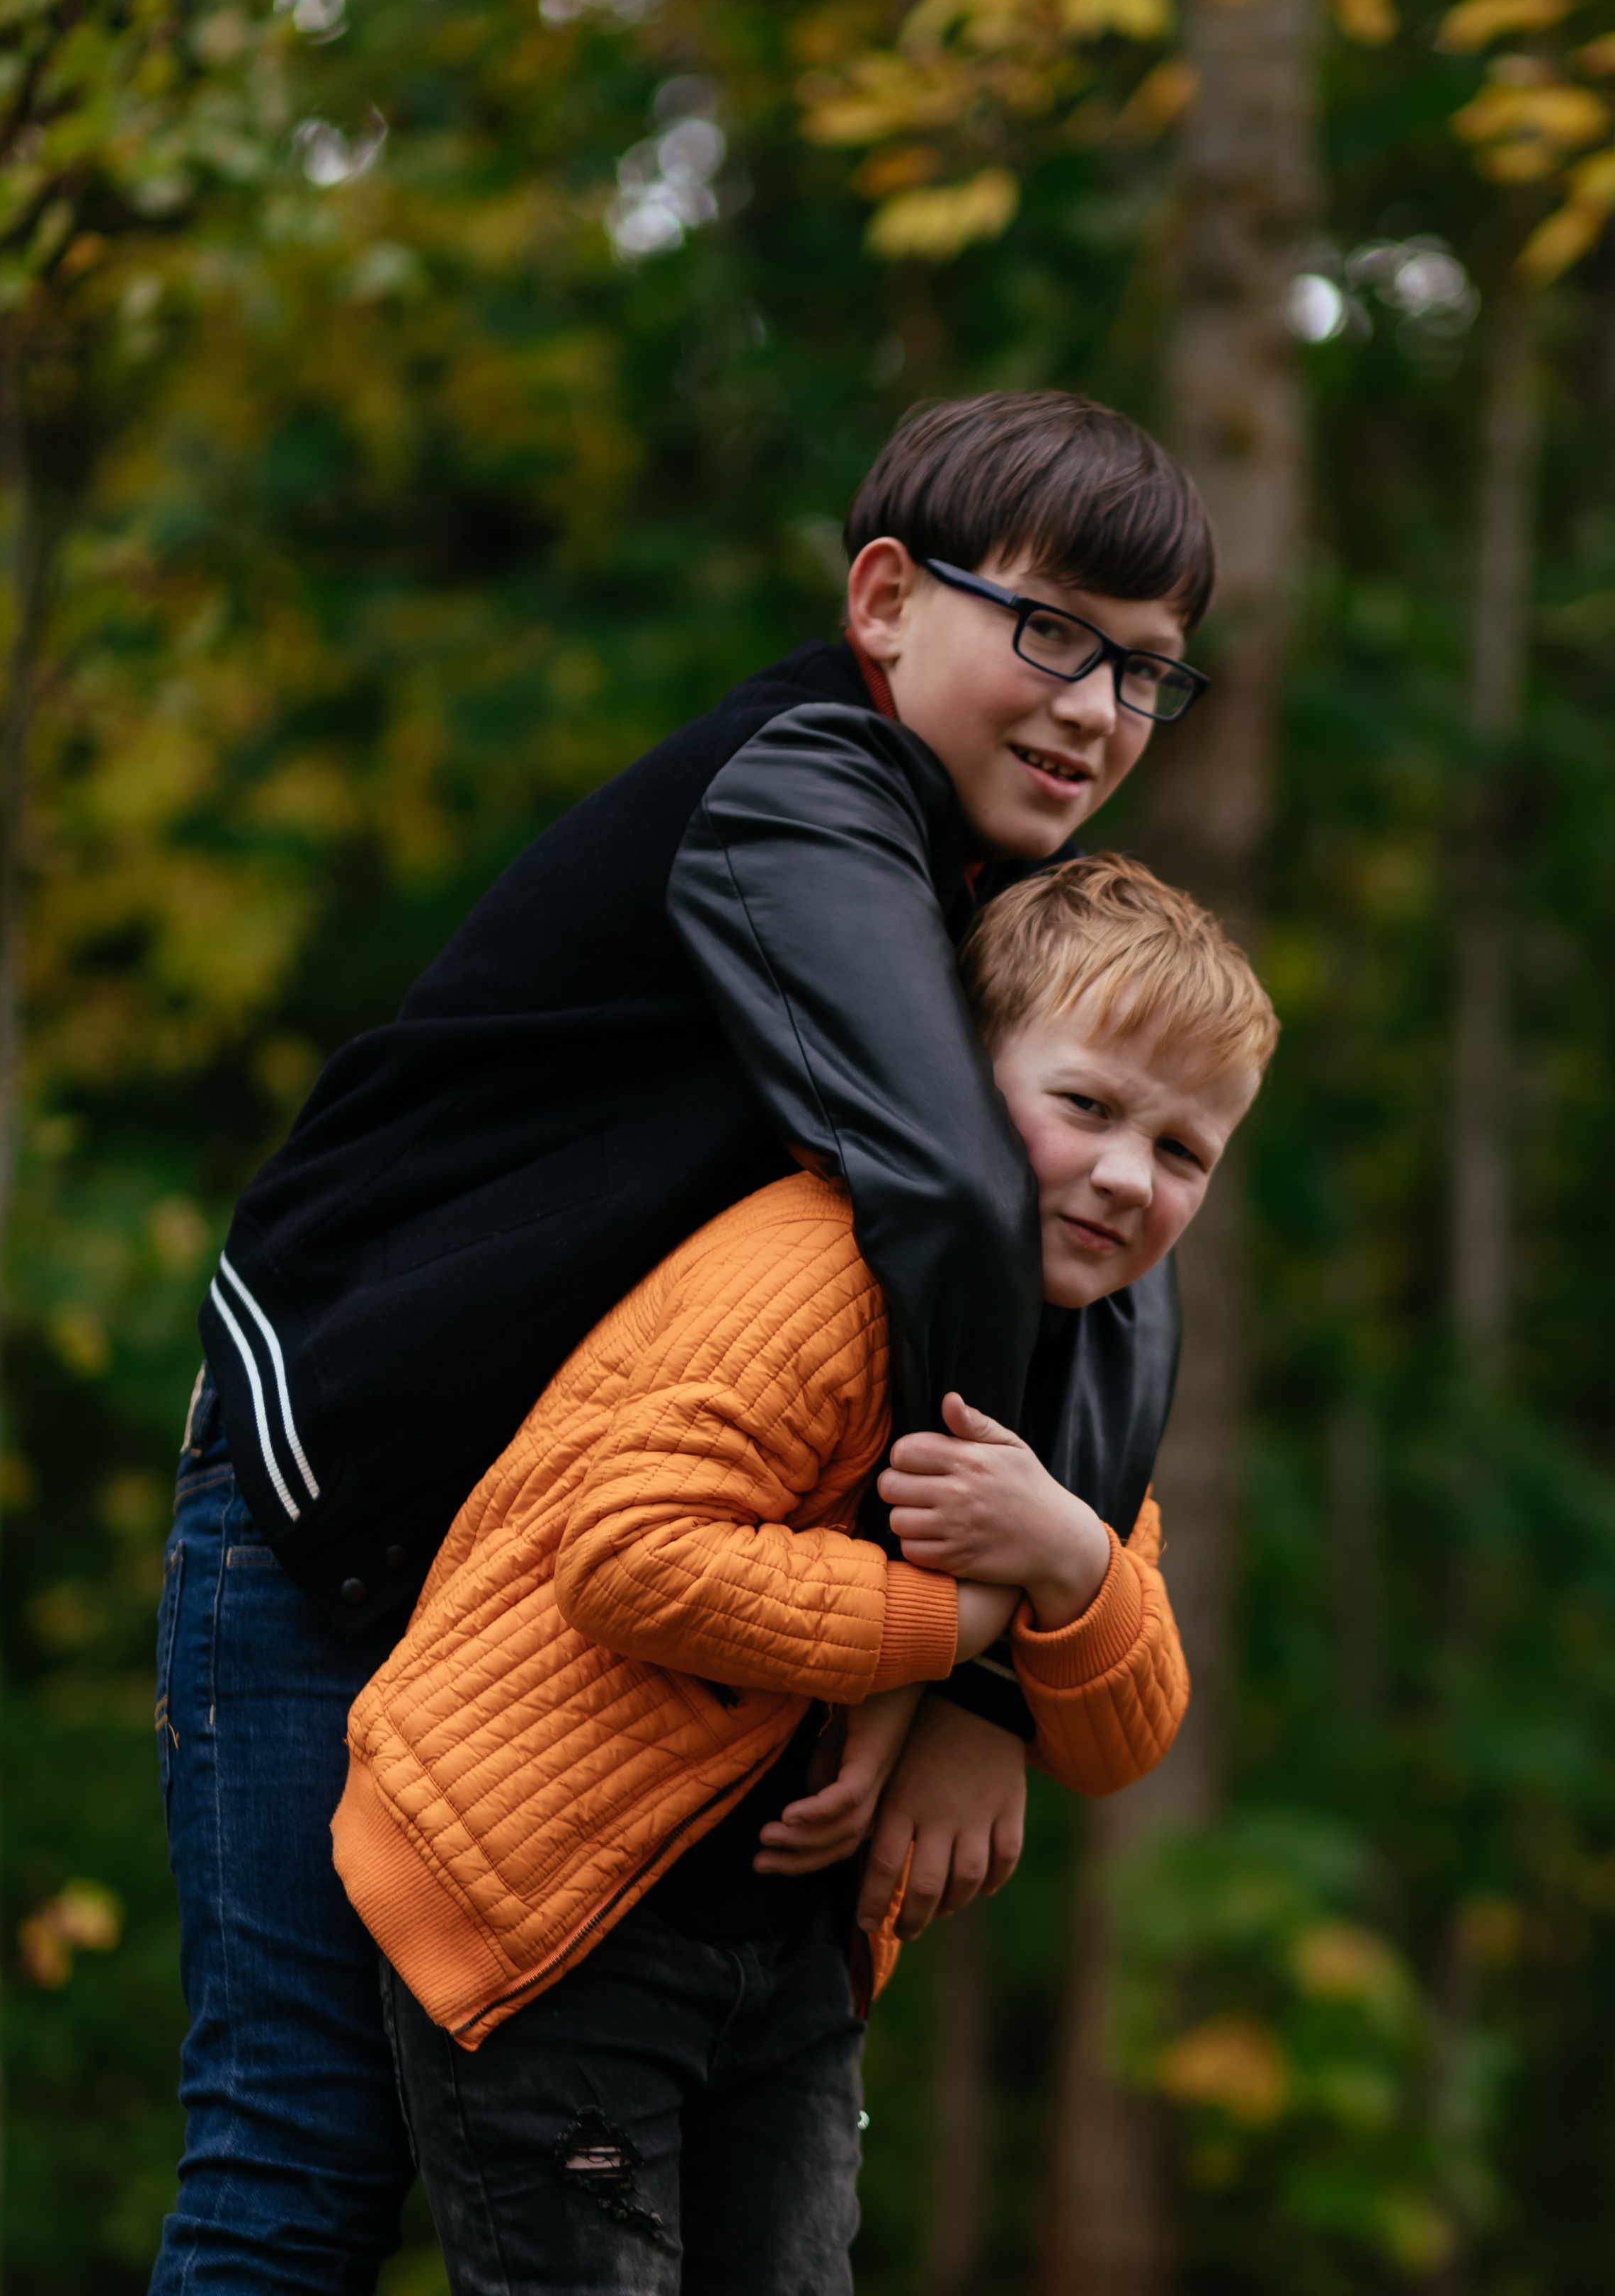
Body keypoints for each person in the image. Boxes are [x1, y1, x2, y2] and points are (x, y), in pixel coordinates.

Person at [152, 392, 1216, 2291]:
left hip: (576, 1559)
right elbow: (962, 1190)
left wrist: (979, 1701)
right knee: (299, 2161)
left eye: (1147, 672)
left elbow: (1106, 1271)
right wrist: (935, 1642)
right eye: (1051, 631)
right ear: (885, 600)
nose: (1094, 708)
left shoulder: (998, 895)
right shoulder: (805, 789)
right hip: (344, 1484)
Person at [335, 856, 1277, 2295]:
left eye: (1181, 1151)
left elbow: (1121, 1734)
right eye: (1084, 1106)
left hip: (778, 1951)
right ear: (951, 1081)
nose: (1122, 1176)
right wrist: (950, 1623)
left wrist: (1070, 1559)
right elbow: (626, 1556)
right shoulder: (814, 1267)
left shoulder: (1078, 1373)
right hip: (555, 1899)